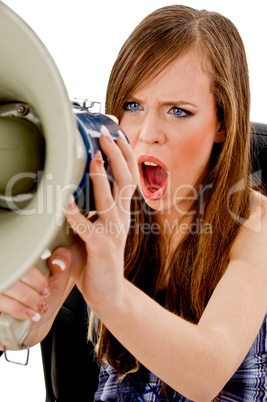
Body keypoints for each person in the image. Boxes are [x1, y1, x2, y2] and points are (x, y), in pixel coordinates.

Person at [1, 5, 267, 401]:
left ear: (222, 123)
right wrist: (16, 305)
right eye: (132, 105)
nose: (146, 134)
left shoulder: (253, 226)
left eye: (178, 111)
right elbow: (30, 332)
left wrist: (109, 293)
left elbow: (205, 375)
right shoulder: (99, 207)